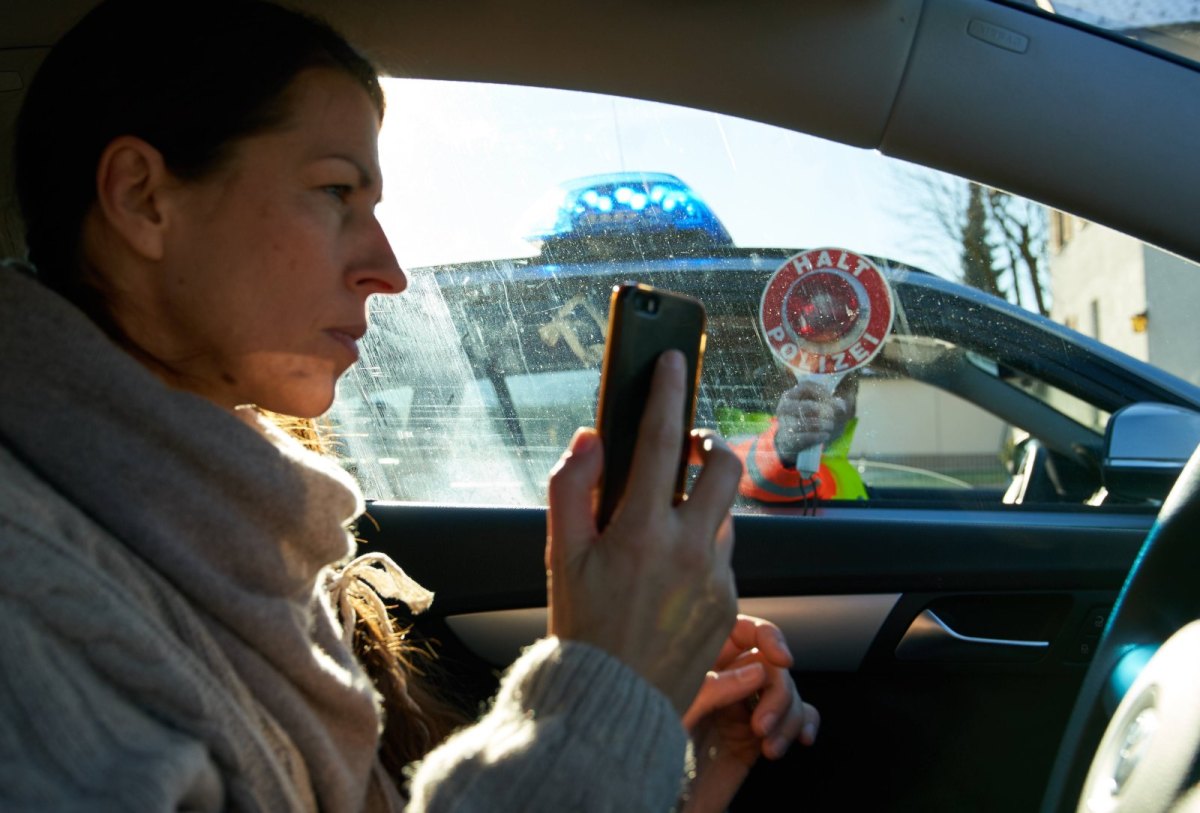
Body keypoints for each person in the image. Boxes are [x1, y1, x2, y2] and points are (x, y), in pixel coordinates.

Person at [0, 1, 818, 810]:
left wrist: (656, 743)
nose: (387, 269)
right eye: (334, 192)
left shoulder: (233, 528)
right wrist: (608, 690)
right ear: (144, 198)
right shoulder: (31, 591)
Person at [726, 373, 868, 503]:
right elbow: (744, 475)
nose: (823, 393)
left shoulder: (843, 468)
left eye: (842, 385)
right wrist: (784, 452)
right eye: (805, 378)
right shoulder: (731, 446)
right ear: (770, 391)